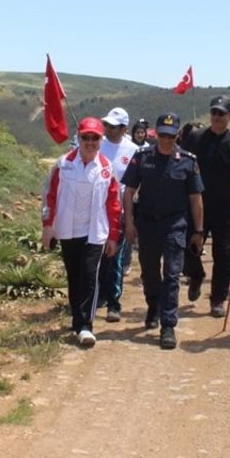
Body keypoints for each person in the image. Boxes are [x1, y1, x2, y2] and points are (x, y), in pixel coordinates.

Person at [121, 113, 204, 350]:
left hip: (174, 225)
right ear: (156, 134)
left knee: (172, 274)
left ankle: (168, 325)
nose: (166, 140)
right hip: (147, 224)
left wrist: (198, 231)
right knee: (149, 273)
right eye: (162, 135)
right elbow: (129, 191)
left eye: (170, 136)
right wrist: (129, 222)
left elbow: (196, 198)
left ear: (177, 135)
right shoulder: (142, 157)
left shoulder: (187, 161)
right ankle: (153, 305)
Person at [41, 117, 122, 348]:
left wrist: (113, 236)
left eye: (95, 138)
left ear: (101, 140)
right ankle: (77, 317)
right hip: (68, 231)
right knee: (74, 277)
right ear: (79, 137)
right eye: (86, 137)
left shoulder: (107, 168)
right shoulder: (63, 164)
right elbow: (49, 195)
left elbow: (114, 205)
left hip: (95, 233)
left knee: (89, 277)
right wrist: (48, 225)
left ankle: (85, 325)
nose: (90, 142)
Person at [182, 95, 230, 317]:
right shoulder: (195, 138)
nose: (216, 116)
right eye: (214, 112)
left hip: (226, 208)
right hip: (197, 205)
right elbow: (182, 164)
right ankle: (196, 275)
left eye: (221, 113)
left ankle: (217, 299)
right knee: (188, 248)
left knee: (224, 255)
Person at [96, 107, 139, 323]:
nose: (108, 129)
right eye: (106, 125)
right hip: (95, 211)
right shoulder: (97, 145)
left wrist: (131, 215)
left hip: (119, 211)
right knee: (97, 256)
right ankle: (98, 295)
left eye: (113, 126)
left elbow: (136, 185)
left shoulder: (133, 150)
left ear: (124, 128)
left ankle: (113, 302)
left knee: (115, 257)